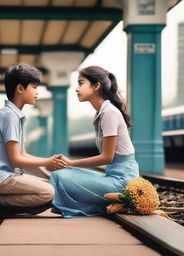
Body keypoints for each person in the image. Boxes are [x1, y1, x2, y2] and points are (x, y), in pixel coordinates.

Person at [49, 65, 139, 218]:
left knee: (60, 177)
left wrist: (70, 163)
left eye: (81, 83)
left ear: (96, 85)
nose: (77, 89)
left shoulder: (109, 113)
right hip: (112, 177)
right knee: (62, 174)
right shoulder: (101, 112)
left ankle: (122, 201)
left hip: (122, 183)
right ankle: (109, 205)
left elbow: (107, 158)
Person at [0, 63, 67, 216]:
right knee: (48, 193)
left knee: (52, 186)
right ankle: (0, 200)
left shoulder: (14, 115)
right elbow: (16, 160)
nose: (37, 92)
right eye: (34, 87)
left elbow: (23, 155)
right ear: (20, 89)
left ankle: (6, 199)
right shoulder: (9, 116)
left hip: (6, 175)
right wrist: (47, 163)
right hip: (0, 177)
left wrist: (49, 162)